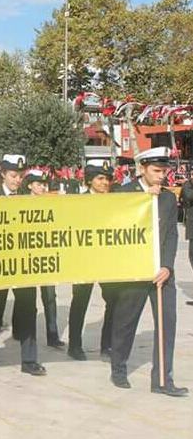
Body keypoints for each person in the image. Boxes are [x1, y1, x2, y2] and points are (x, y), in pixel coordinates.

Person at [110, 147, 188, 397]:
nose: (161, 176)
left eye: (164, 171)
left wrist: (167, 266)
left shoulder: (167, 198)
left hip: (162, 274)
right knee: (126, 321)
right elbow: (115, 228)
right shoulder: (123, 193)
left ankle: (163, 379)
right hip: (134, 272)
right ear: (142, 169)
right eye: (156, 171)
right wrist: (146, 200)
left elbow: (172, 235)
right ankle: (119, 369)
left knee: (167, 324)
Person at [0, 154, 46, 376]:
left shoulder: (29, 199)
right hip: (0, 264)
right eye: (13, 176)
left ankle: (29, 360)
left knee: (28, 308)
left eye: (20, 176)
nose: (17, 180)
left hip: (24, 264)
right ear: (2, 174)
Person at [68, 159, 117, 360]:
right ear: (89, 181)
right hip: (85, 261)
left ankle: (107, 345)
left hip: (107, 261)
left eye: (107, 179)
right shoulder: (78, 202)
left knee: (113, 301)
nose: (105, 183)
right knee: (80, 303)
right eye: (100, 178)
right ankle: (74, 345)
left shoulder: (116, 201)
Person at [20, 169, 64, 349]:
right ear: (30, 185)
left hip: (46, 256)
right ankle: (24, 334)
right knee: (27, 301)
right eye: (38, 184)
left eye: (44, 184)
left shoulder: (51, 202)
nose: (42, 188)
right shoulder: (21, 203)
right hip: (27, 257)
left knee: (50, 298)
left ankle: (52, 335)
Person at [179, 168, 193, 306]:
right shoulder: (188, 185)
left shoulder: (189, 185)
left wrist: (188, 183)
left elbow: (188, 196)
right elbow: (184, 198)